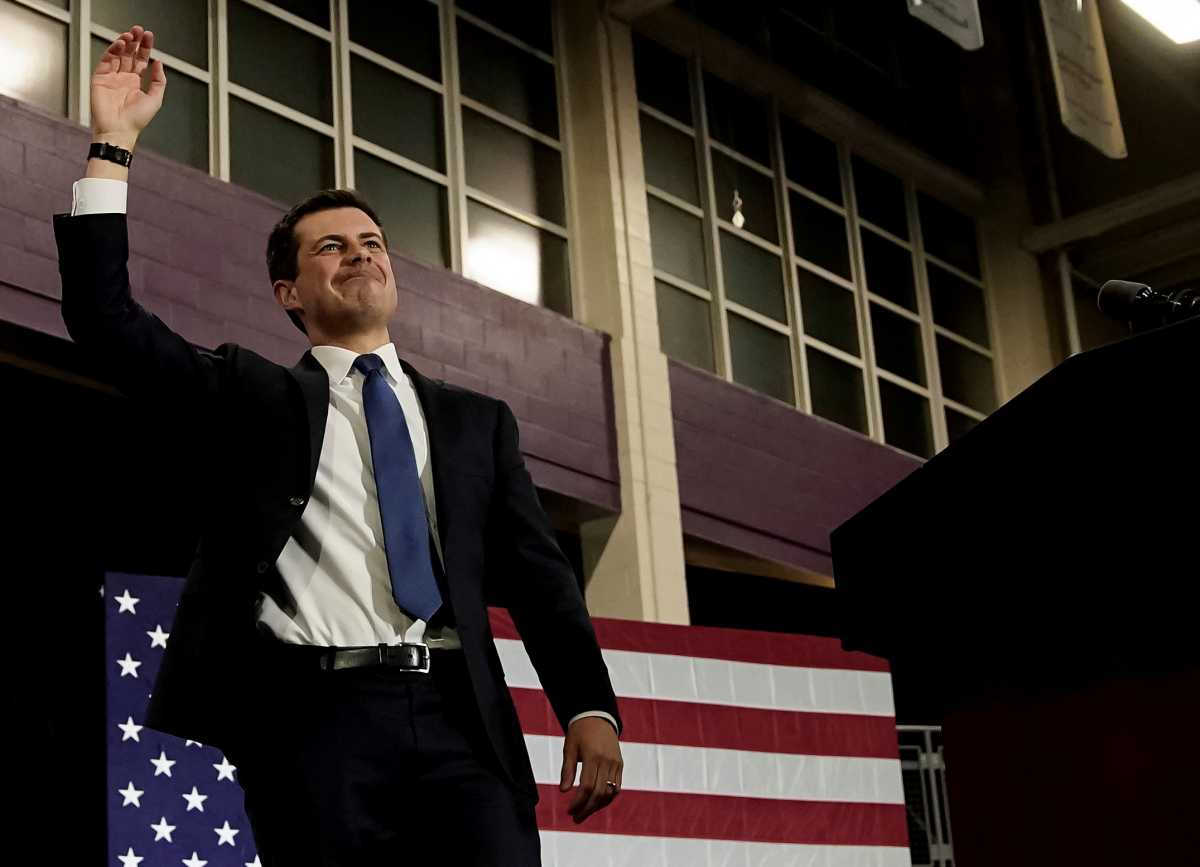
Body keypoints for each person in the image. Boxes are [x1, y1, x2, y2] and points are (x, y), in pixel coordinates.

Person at [57, 25, 623, 865]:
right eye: (332, 246)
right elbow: (108, 325)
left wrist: (588, 703)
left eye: (372, 244)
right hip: (315, 723)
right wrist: (114, 142)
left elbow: (541, 580)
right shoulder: (254, 397)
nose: (360, 254)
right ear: (290, 291)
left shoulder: (478, 421)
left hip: (463, 719)